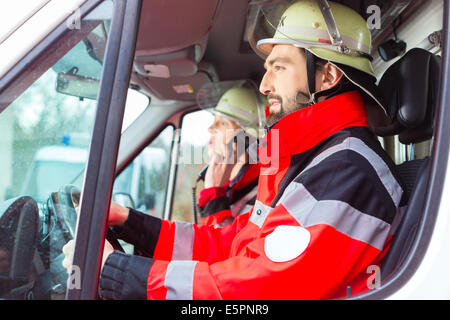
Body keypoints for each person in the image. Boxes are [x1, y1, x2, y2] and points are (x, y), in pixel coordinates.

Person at [65, 0, 406, 299]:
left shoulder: (348, 169)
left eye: (279, 67)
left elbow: (262, 290)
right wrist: (129, 223)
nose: (264, 84)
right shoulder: (308, 161)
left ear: (328, 75)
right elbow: (230, 247)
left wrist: (124, 275)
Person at [197, 85, 264, 227]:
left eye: (223, 123)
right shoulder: (234, 187)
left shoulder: (259, 198)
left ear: (246, 139)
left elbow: (223, 246)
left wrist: (214, 195)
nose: (210, 129)